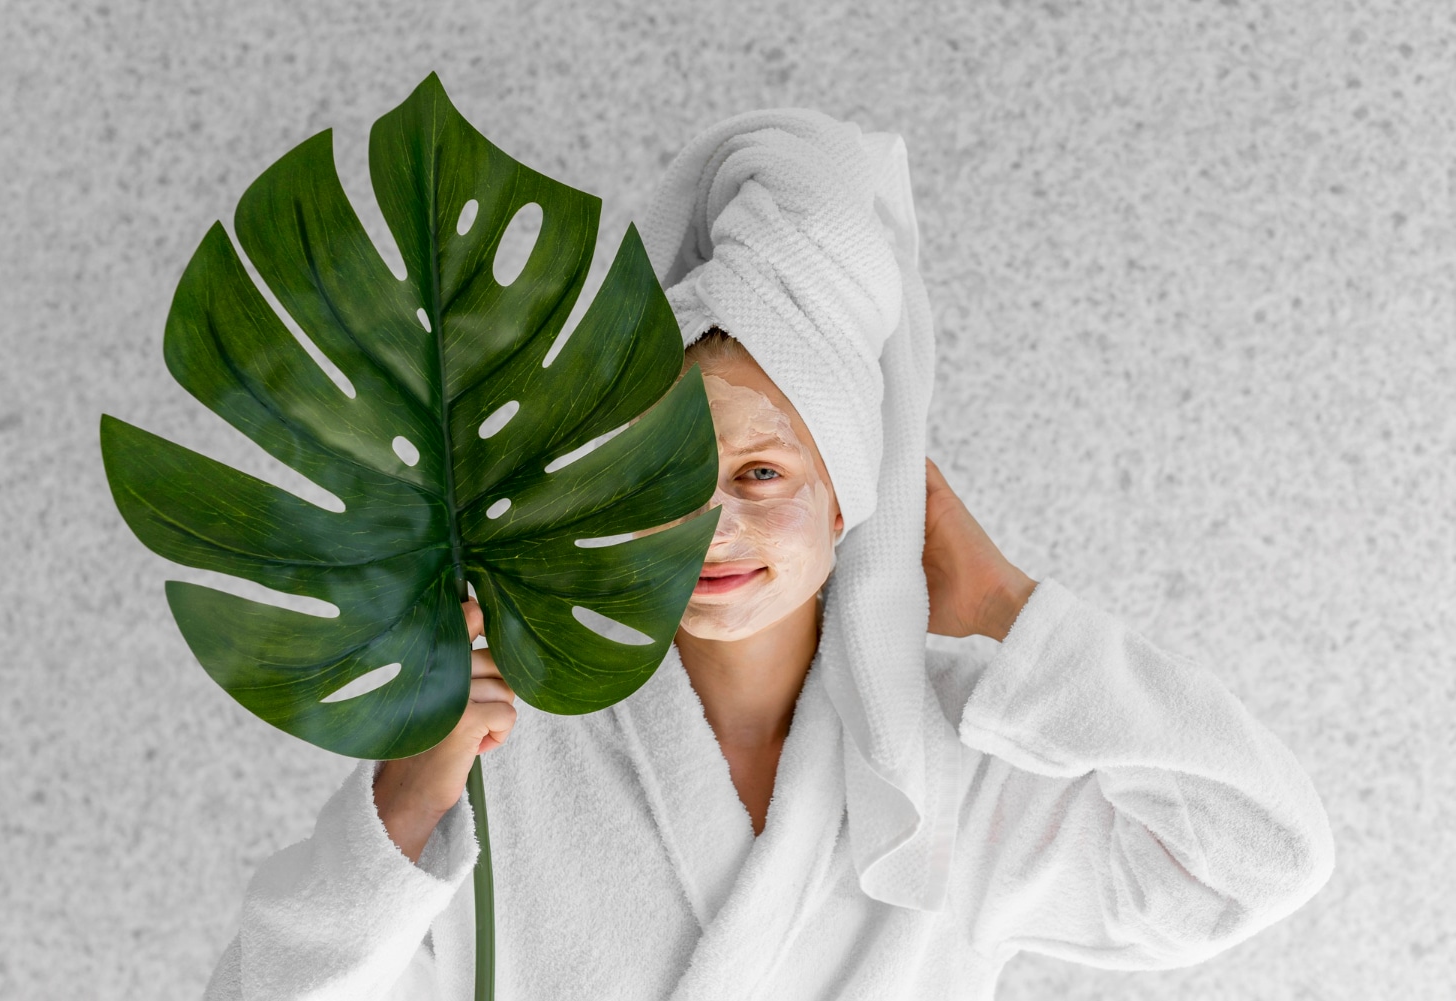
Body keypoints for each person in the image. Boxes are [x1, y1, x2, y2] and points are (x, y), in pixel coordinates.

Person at [204, 110, 1335, 1001]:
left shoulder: (951, 762)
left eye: (760, 474)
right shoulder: (514, 730)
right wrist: (408, 801)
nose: (712, 528)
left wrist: (1009, 610)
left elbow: (1260, 854)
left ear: (851, 487)